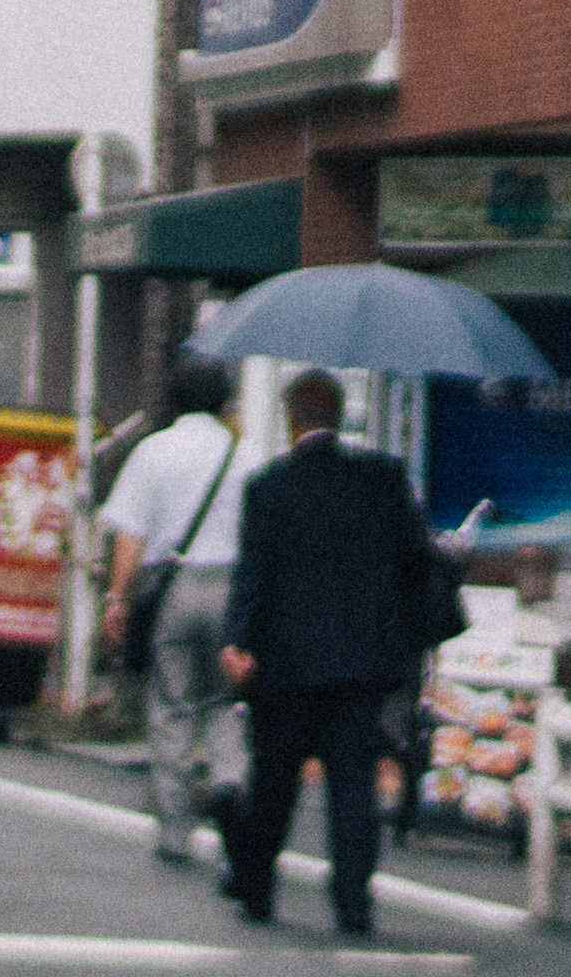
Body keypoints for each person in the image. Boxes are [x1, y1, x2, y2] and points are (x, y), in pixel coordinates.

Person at [219, 370, 443, 936]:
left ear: (293, 419)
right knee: (352, 784)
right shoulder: (384, 480)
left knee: (275, 779)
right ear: (339, 416)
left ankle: (257, 890)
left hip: (285, 661)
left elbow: (255, 573)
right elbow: (417, 558)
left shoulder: (270, 487)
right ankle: (353, 902)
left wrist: (238, 639)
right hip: (362, 661)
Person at [95, 358, 260, 867]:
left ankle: (175, 831)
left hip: (173, 587)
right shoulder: (247, 455)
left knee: (171, 707)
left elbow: (131, 533)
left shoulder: (153, 451)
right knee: (225, 701)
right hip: (232, 586)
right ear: (225, 402)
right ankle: (230, 782)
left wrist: (117, 598)